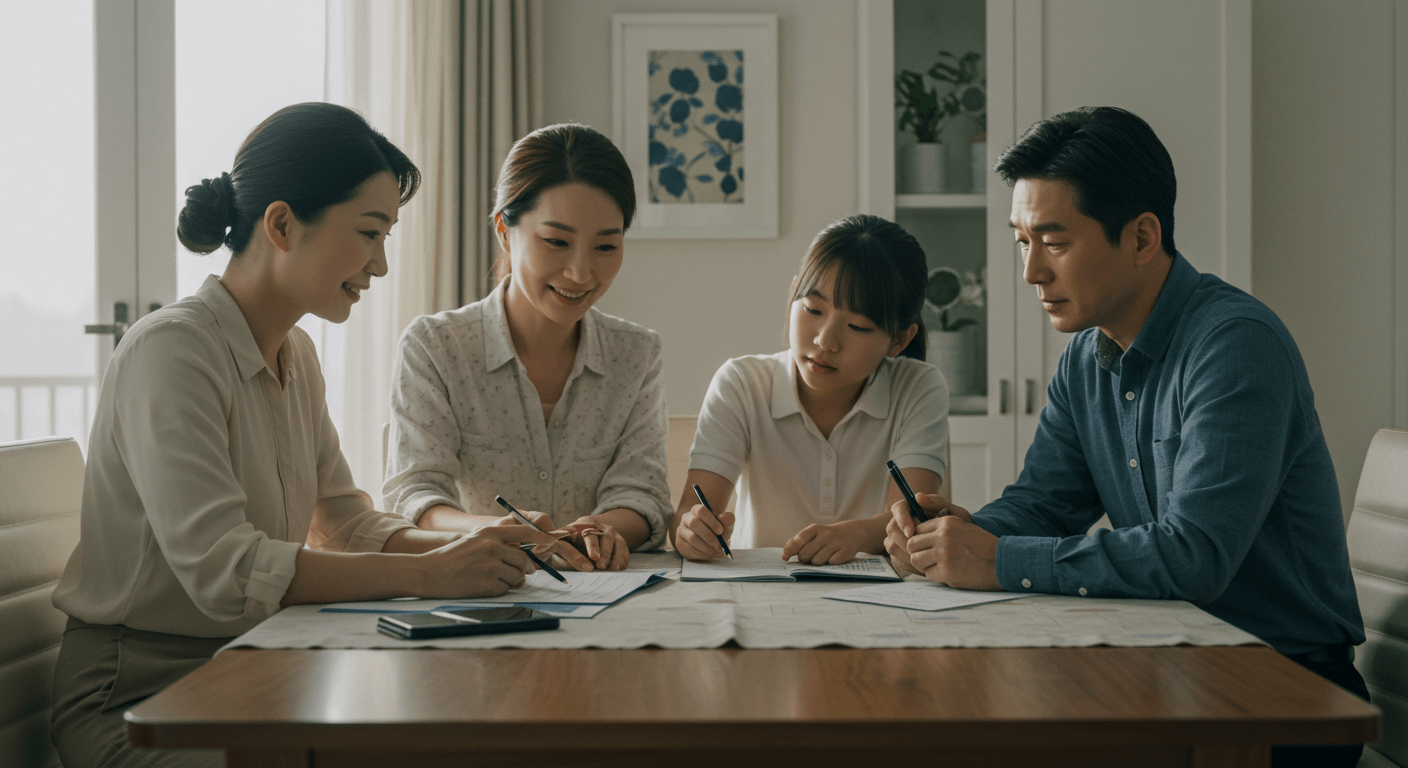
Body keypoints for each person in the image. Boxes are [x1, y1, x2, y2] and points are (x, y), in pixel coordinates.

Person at [49, 103, 557, 768]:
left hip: (249, 675)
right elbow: (226, 572)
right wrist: (431, 573)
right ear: (283, 225)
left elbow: (344, 524)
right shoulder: (172, 352)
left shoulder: (297, 356)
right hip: (141, 703)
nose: (379, 265)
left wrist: (474, 544)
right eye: (370, 233)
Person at [885, 106, 1368, 768]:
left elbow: (1193, 556)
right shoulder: (1086, 359)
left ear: (1142, 237)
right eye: (1021, 241)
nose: (1030, 273)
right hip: (1177, 665)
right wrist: (952, 536)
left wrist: (994, 559)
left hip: (1282, 691)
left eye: (1053, 242)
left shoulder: (1234, 346)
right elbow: (1043, 503)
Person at [384, 123, 670, 572]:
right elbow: (416, 494)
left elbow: (641, 491)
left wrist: (601, 528)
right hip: (478, 588)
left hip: (605, 590)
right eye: (556, 242)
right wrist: (491, 531)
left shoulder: (636, 354)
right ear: (504, 230)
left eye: (606, 246)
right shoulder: (436, 347)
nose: (580, 272)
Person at [671, 214, 950, 564]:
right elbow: (688, 512)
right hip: (759, 595)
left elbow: (911, 520)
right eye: (813, 309)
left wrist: (856, 534)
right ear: (793, 294)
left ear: (899, 340)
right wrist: (690, 531)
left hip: (875, 600)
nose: (825, 341)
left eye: (857, 326)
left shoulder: (918, 387)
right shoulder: (742, 383)